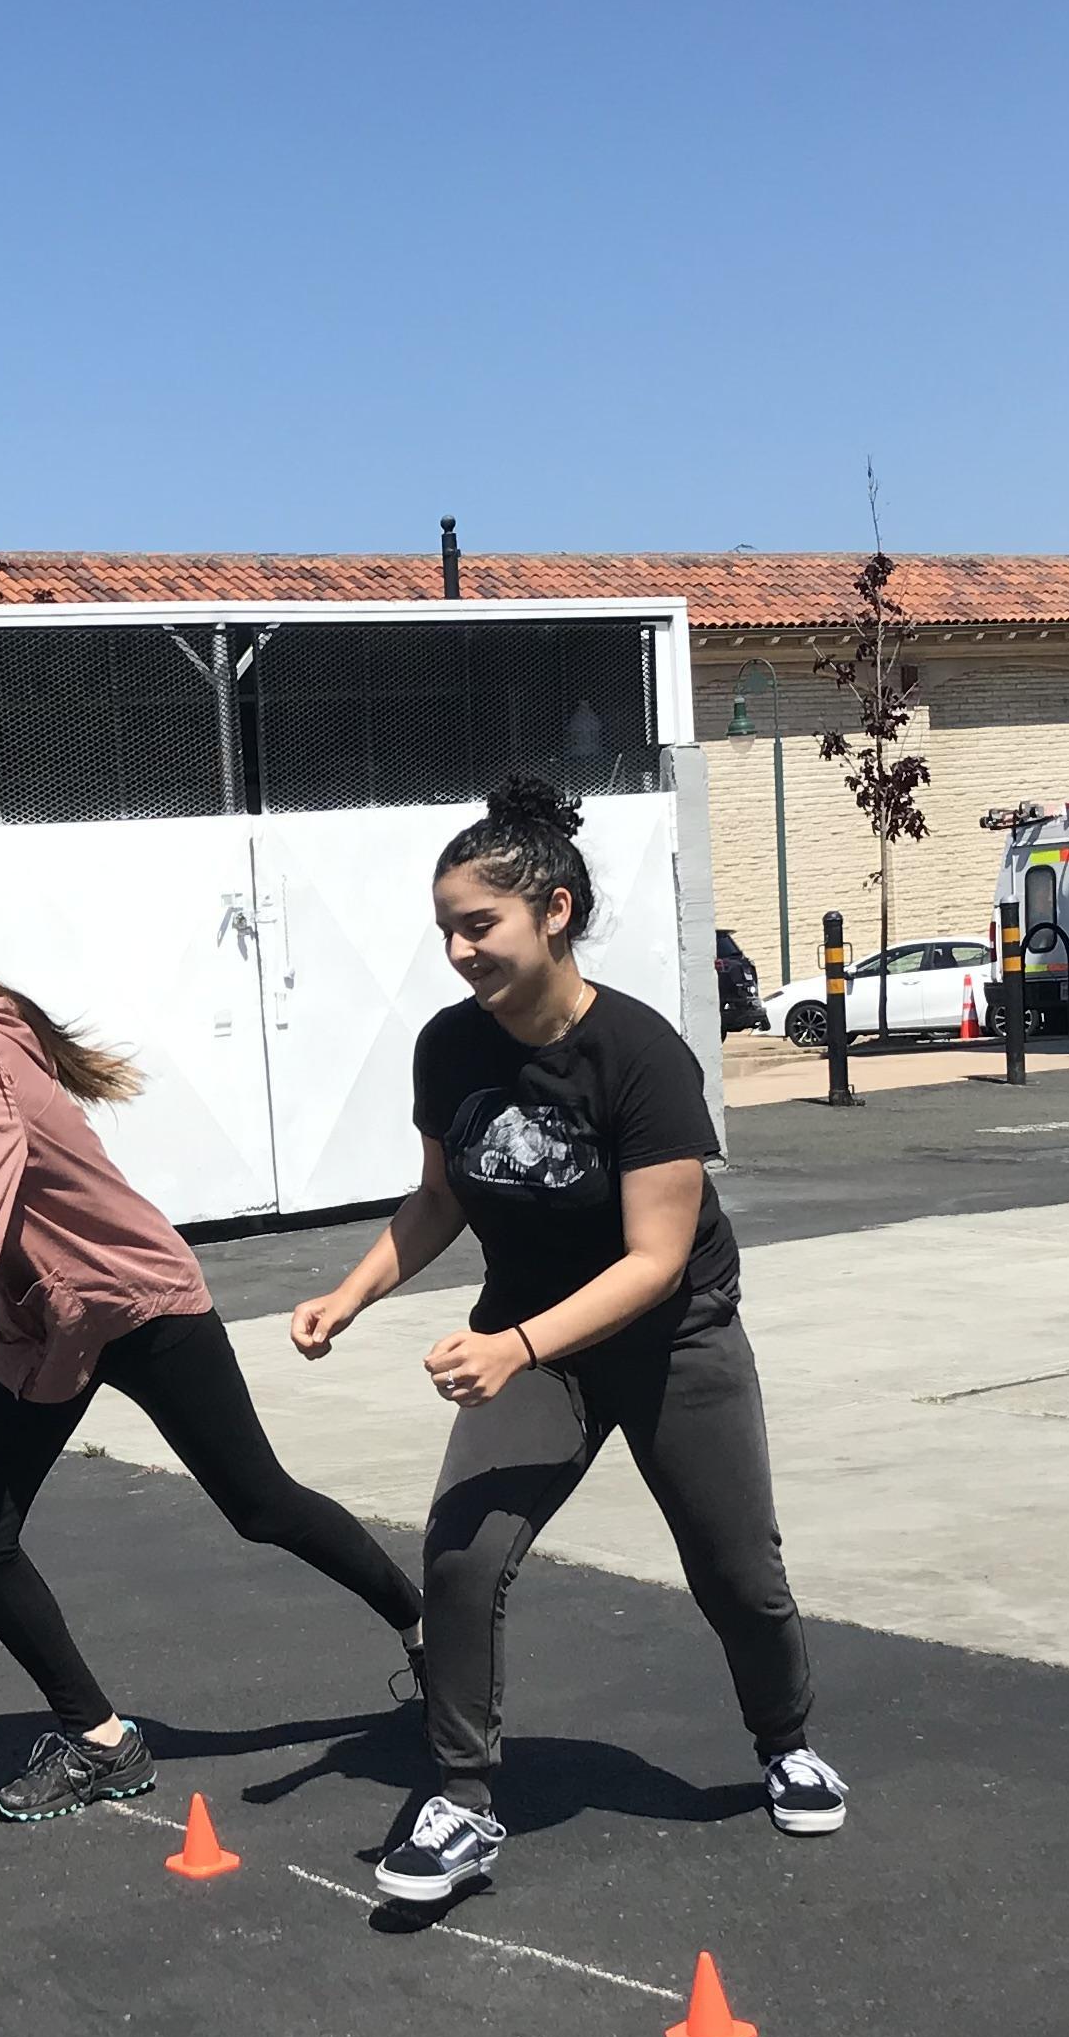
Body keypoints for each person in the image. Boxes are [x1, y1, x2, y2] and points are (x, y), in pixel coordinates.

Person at [289, 775, 846, 1900]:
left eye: (478, 924)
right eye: (446, 927)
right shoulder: (451, 1050)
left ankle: (784, 1739)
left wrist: (516, 1348)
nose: (458, 950)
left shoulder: (638, 1056)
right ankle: (460, 1802)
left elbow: (654, 1259)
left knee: (740, 1575)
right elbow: (440, 1198)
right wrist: (350, 1294)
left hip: (671, 1337)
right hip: (531, 1335)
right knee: (460, 1556)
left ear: (552, 910)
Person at [0, 883, 423, 1822]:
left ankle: (422, 1626)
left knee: (258, 1503)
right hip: (45, 1330)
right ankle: (102, 1740)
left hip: (136, 1301)